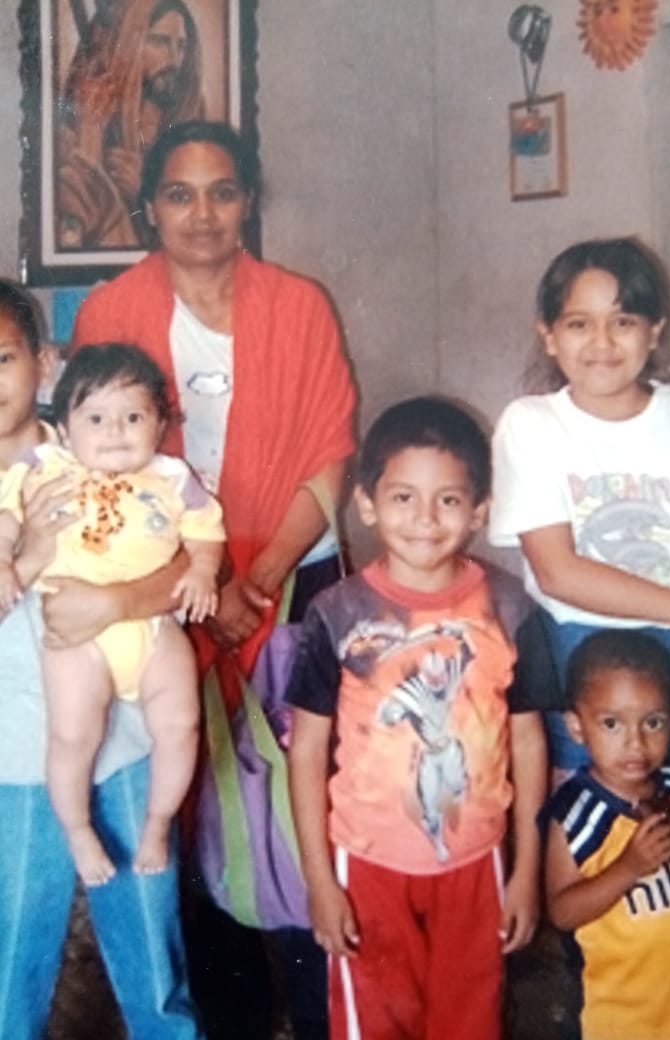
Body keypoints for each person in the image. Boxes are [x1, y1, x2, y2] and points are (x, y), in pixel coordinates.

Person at [71, 120, 356, 1038]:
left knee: (304, 796)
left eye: (223, 191)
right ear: (151, 205)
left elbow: (328, 453)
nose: (203, 213)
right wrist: (209, 586)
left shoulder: (300, 306)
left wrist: (259, 578)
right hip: (164, 591)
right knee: (188, 803)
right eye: (181, 194)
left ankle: (319, 1008)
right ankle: (228, 1016)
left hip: (290, 579)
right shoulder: (109, 312)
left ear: (249, 201)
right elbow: (97, 473)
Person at [489, 236, 670, 1038]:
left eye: (623, 321)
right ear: (547, 335)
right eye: (577, 324)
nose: (601, 343)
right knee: (598, 883)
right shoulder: (533, 423)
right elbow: (561, 568)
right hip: (581, 670)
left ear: (655, 331)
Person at [287, 397, 547, 1040]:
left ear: (480, 511)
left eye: (449, 501)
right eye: (403, 498)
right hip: (367, 864)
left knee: (471, 1023)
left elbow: (528, 738)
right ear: (368, 504)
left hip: (476, 861)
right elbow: (306, 753)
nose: (425, 520)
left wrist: (526, 872)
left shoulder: (510, 608)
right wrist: (319, 882)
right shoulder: (335, 613)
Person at [0, 279, 204, 1038]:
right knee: (13, 957)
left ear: (45, 363)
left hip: (124, 743)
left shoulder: (106, 436)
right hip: (14, 759)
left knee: (153, 954)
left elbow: (183, 568)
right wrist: (29, 554)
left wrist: (116, 604)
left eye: (1, 358)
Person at [0, 343, 224, 885]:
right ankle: (77, 829)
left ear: (160, 424)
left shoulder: (172, 477)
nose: (115, 431)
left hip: (152, 629)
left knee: (180, 723)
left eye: (133, 417)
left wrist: (201, 571)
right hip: (77, 642)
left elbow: (205, 533)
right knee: (73, 735)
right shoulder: (44, 466)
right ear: (67, 425)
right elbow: (7, 516)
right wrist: (7, 560)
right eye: (96, 418)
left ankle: (157, 822)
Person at [545, 629, 670, 1040]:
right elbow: (562, 911)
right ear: (577, 727)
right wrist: (629, 867)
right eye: (612, 723)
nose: (635, 743)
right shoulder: (575, 812)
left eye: (652, 722)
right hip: (621, 1021)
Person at [57, 0, 205, 248]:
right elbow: (71, 235)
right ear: (129, 43)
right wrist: (90, 143)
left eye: (180, 46)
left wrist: (146, 193)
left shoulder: (191, 119)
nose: (174, 59)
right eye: (159, 41)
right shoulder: (75, 127)